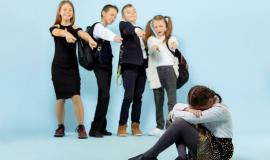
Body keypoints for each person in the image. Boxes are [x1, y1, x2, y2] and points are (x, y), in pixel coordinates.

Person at [129, 85, 234, 160]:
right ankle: (181, 157)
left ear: (210, 101)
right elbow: (177, 105)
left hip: (218, 152)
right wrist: (188, 109)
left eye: (199, 109)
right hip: (205, 144)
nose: (197, 111)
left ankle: (148, 156)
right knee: (180, 122)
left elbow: (180, 115)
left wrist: (174, 113)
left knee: (179, 123)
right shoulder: (206, 102)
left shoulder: (220, 110)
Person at [49, 0, 97, 139]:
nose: (67, 12)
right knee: (60, 99)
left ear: (73, 13)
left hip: (72, 68)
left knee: (76, 96)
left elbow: (83, 34)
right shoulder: (55, 27)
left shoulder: (75, 28)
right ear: (59, 12)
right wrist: (66, 34)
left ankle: (81, 127)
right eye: (64, 9)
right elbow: (56, 32)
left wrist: (90, 40)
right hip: (58, 67)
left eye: (70, 10)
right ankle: (60, 126)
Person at [88, 4, 122, 138]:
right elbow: (104, 33)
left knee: (104, 96)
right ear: (103, 13)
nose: (113, 18)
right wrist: (115, 38)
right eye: (111, 14)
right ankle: (94, 129)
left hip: (107, 67)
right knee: (104, 95)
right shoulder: (97, 27)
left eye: (115, 16)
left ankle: (101, 127)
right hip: (100, 67)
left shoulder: (104, 29)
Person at [145, 15, 179, 136]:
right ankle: (159, 127)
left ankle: (170, 127)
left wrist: (174, 45)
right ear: (153, 27)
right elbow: (151, 46)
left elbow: (173, 42)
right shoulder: (151, 39)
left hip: (170, 71)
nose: (158, 28)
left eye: (161, 26)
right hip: (156, 72)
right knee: (158, 101)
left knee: (172, 101)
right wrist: (154, 48)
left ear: (165, 27)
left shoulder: (170, 38)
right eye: (156, 26)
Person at [117, 4, 148, 137]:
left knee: (138, 97)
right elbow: (129, 29)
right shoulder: (124, 25)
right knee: (128, 96)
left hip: (143, 65)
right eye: (129, 12)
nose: (132, 13)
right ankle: (122, 125)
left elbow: (146, 46)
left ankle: (135, 125)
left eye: (134, 11)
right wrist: (137, 31)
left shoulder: (140, 29)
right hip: (129, 65)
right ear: (124, 16)